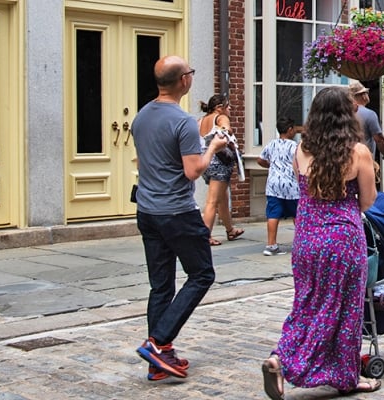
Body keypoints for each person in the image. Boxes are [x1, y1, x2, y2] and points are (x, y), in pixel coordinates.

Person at [262, 86, 380, 399]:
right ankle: (344, 376)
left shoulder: (301, 150)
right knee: (343, 311)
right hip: (342, 240)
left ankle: (279, 357)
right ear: (348, 115)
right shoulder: (358, 152)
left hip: (306, 240)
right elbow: (368, 201)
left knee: (305, 306)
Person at [131, 56, 228, 381]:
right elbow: (192, 170)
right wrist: (212, 147)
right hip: (177, 211)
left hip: (147, 211)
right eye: (191, 72)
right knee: (202, 274)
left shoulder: (142, 116)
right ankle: (158, 342)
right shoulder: (183, 121)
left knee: (160, 286)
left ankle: (158, 359)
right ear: (184, 80)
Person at [198, 95, 243, 246]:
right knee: (212, 201)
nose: (230, 109)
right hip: (219, 163)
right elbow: (226, 129)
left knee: (223, 198)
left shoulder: (200, 121)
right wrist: (226, 132)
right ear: (219, 107)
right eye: (228, 106)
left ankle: (230, 230)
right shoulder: (220, 117)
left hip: (205, 162)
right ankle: (206, 236)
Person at [257, 117, 301, 256]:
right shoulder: (295, 146)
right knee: (297, 214)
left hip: (274, 184)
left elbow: (260, 159)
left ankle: (271, 245)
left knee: (273, 214)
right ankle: (300, 242)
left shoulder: (272, 144)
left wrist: (271, 166)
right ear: (289, 130)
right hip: (291, 185)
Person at [348, 81, 384, 189]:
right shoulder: (369, 114)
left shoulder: (344, 113)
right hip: (365, 161)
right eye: (365, 93)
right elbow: (379, 139)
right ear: (363, 96)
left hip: (346, 161)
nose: (367, 95)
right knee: (366, 193)